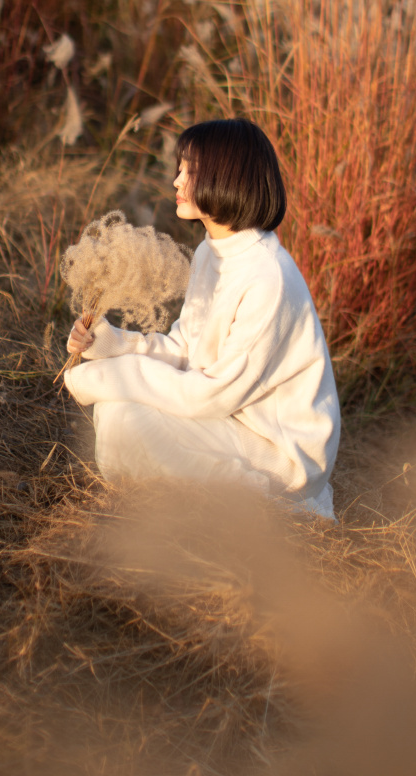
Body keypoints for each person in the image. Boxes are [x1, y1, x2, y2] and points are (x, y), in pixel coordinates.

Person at [64, 119, 340, 519]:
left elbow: (211, 393)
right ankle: (182, 506)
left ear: (225, 176)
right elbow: (185, 348)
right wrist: (110, 346)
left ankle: (284, 508)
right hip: (231, 420)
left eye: (188, 170)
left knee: (125, 417)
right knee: (117, 411)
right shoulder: (214, 253)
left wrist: (116, 375)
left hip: (280, 451)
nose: (176, 181)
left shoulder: (268, 277)